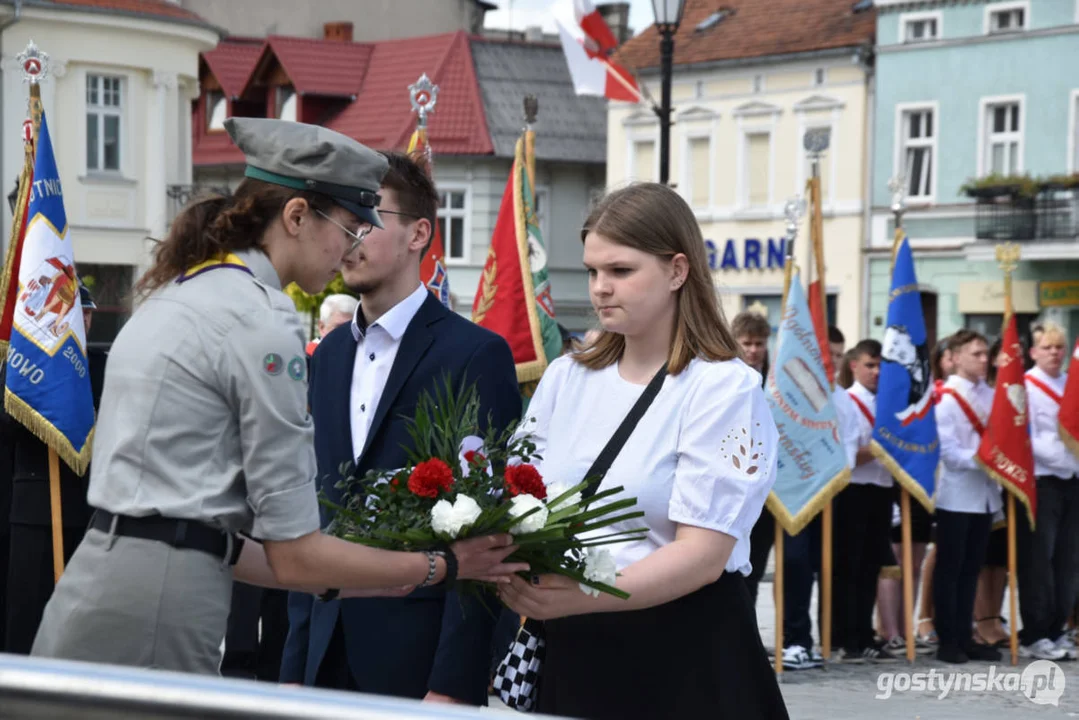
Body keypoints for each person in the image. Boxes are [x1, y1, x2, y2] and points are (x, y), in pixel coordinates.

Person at [29, 118, 524, 674]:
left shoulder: (182, 289)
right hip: (163, 596)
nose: (349, 247)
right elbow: (296, 554)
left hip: (105, 573)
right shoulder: (261, 316)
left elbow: (236, 542)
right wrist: (441, 566)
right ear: (296, 217)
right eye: (349, 225)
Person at [497, 183, 787, 719]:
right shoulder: (567, 376)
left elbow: (702, 555)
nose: (601, 288)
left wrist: (582, 594)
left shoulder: (723, 388)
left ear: (678, 271)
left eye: (620, 271)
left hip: (683, 657)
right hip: (578, 649)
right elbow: (520, 495)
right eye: (592, 271)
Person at [279, 152, 521, 703]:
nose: (349, 236)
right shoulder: (330, 354)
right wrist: (293, 663)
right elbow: (312, 506)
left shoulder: (475, 354)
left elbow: (486, 526)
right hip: (321, 650)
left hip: (417, 663)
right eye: (344, 218)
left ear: (419, 234)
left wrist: (454, 683)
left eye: (368, 218)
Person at [0, 282, 106, 654]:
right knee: (27, 615)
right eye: (80, 312)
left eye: (89, 314)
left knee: (81, 621)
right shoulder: (25, 365)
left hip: (91, 507)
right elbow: (6, 421)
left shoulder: (101, 365)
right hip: (35, 506)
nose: (86, 320)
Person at [780, 326, 858, 670]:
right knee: (794, 565)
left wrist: (832, 470)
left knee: (821, 566)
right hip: (794, 492)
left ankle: (823, 638)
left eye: (839, 357)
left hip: (830, 493)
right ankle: (793, 639)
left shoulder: (843, 400)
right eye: (828, 356)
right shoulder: (790, 394)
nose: (833, 363)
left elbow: (851, 447)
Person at [934, 329, 1001, 664]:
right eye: (976, 353)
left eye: (985, 353)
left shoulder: (993, 395)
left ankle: (966, 635)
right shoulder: (946, 398)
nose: (984, 359)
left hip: (986, 495)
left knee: (972, 568)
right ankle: (948, 639)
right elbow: (949, 453)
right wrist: (985, 459)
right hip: (956, 495)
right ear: (956, 357)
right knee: (950, 569)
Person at [834, 339, 898, 663]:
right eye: (870, 365)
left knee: (872, 565)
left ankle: (865, 632)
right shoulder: (847, 402)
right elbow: (842, 455)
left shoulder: (888, 403)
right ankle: (848, 636)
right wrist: (878, 449)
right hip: (854, 492)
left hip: (881, 489)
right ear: (853, 366)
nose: (876, 372)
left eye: (880, 366)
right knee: (850, 566)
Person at [1019, 322, 1079, 661]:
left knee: (1068, 561)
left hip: (1072, 479)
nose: (1055, 353)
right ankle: (1036, 632)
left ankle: (1058, 629)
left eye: (1060, 347)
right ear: (1033, 352)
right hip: (1043, 480)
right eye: (1048, 347)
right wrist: (1067, 456)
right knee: (1039, 560)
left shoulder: (1072, 383)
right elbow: (1029, 438)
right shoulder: (1027, 387)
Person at [731, 310, 775, 607]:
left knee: (755, 570)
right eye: (747, 343)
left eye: (759, 343)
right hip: (735, 486)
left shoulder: (776, 381)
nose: (753, 350)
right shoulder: (727, 377)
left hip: (769, 491)